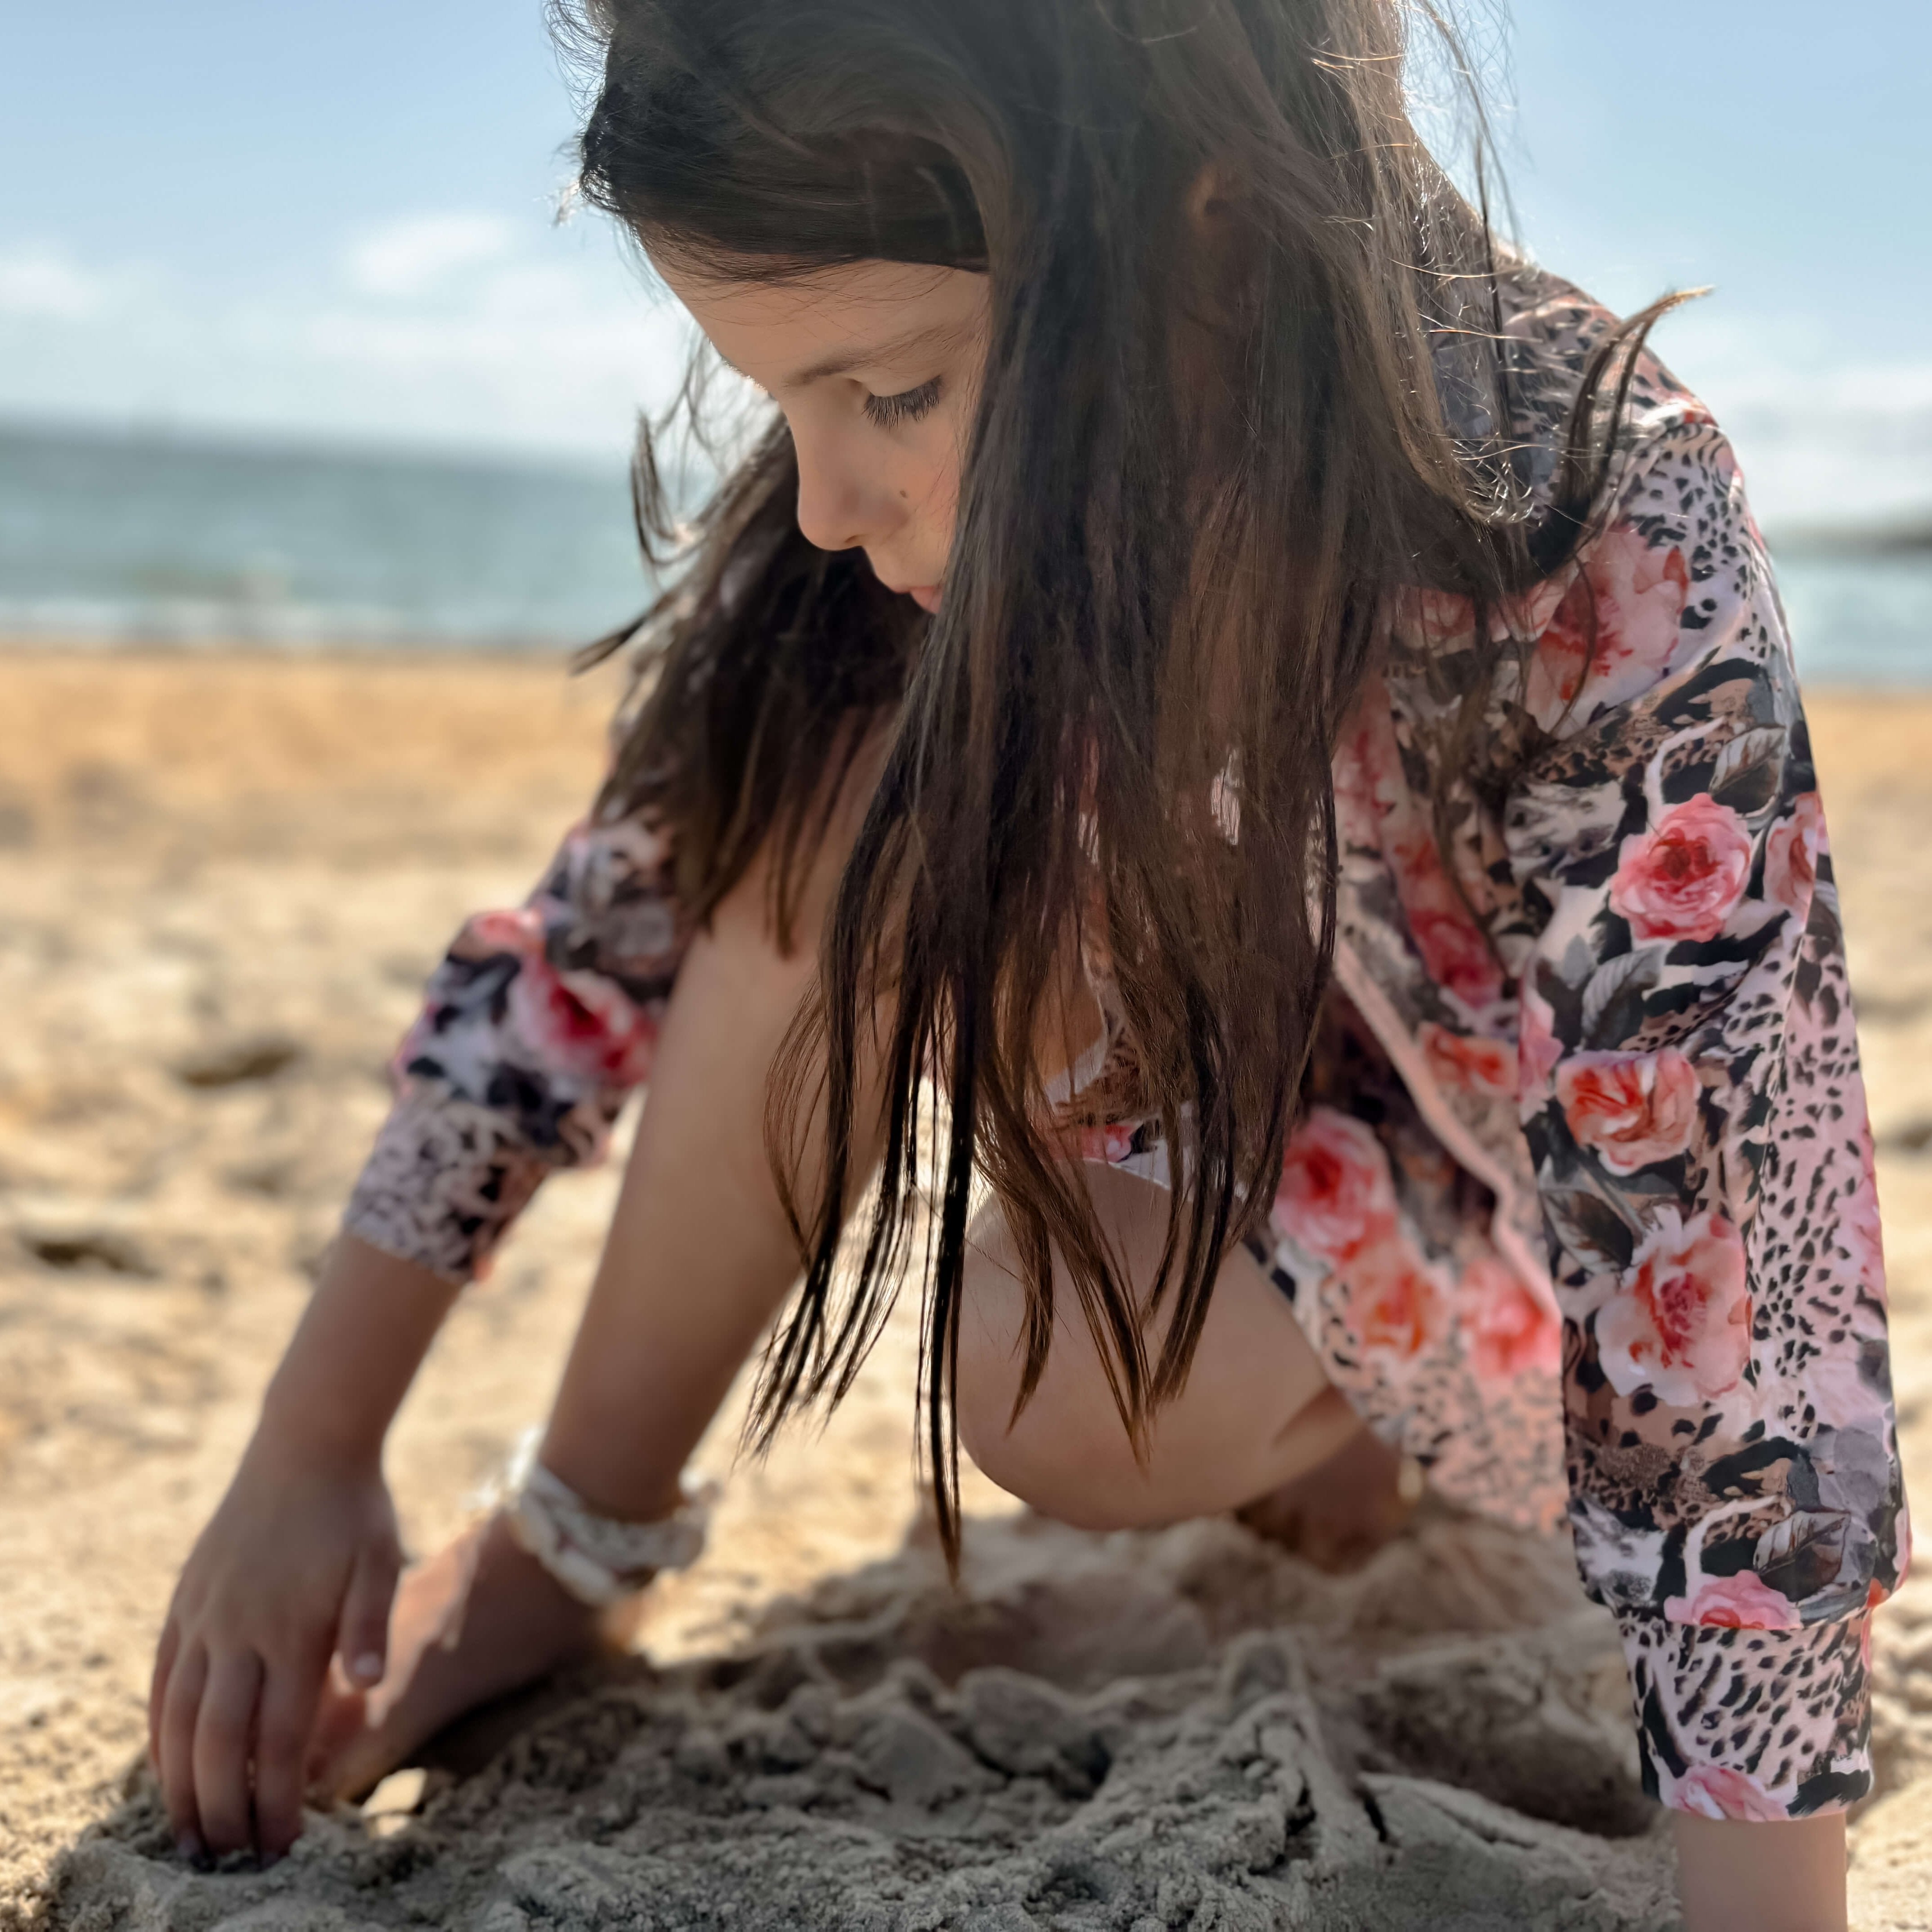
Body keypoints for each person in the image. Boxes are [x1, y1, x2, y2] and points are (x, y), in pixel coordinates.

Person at [147, 2, 1907, 1925]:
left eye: (888, 396)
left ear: (1207, 241)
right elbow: (617, 918)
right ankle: (576, 1540)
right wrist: (310, 1451)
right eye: (783, 399)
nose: (823, 499)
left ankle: (1339, 1413)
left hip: (1498, 1246)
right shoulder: (935, 490)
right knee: (818, 779)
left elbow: (1727, 1278)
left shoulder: (1592, 504)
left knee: (1047, 1375)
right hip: (1223, 1086)